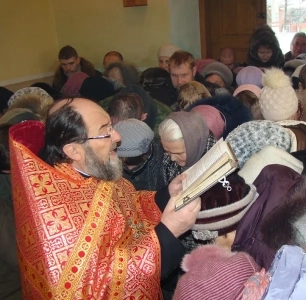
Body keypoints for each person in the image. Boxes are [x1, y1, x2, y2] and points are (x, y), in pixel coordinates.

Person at [10, 98, 201, 299]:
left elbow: (129, 206)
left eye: (112, 126)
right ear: (73, 150)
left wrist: (166, 195)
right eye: (105, 131)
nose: (117, 137)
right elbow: (109, 287)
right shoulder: (57, 218)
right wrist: (170, 231)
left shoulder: (91, 170)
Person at [114, 118, 165, 191]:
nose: (130, 169)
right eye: (124, 164)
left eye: (135, 164)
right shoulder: (108, 158)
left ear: (147, 154)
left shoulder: (164, 159)